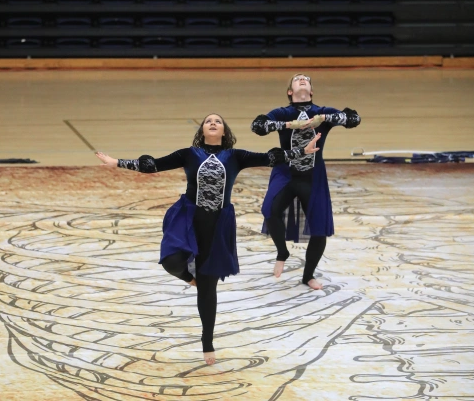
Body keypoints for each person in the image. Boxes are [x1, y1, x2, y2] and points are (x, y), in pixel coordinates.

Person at [96, 113, 320, 366]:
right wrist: (117, 163)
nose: (213, 123)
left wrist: (302, 151)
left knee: (209, 288)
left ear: (224, 131)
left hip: (218, 225)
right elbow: (153, 165)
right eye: (208, 121)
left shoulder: (236, 156)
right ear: (202, 130)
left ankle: (207, 342)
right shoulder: (189, 154)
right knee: (171, 262)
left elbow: (270, 158)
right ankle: (191, 279)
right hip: (189, 219)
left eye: (218, 121)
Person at [251, 74, 361, 290]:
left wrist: (325, 119)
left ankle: (308, 275)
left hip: (313, 176)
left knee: (319, 229)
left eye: (306, 80)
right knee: (270, 210)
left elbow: (354, 119)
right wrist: (289, 124)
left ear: (311, 91)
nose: (302, 80)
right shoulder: (282, 113)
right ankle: (282, 252)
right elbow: (258, 125)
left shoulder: (323, 111)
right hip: (285, 173)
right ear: (290, 92)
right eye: (297, 79)